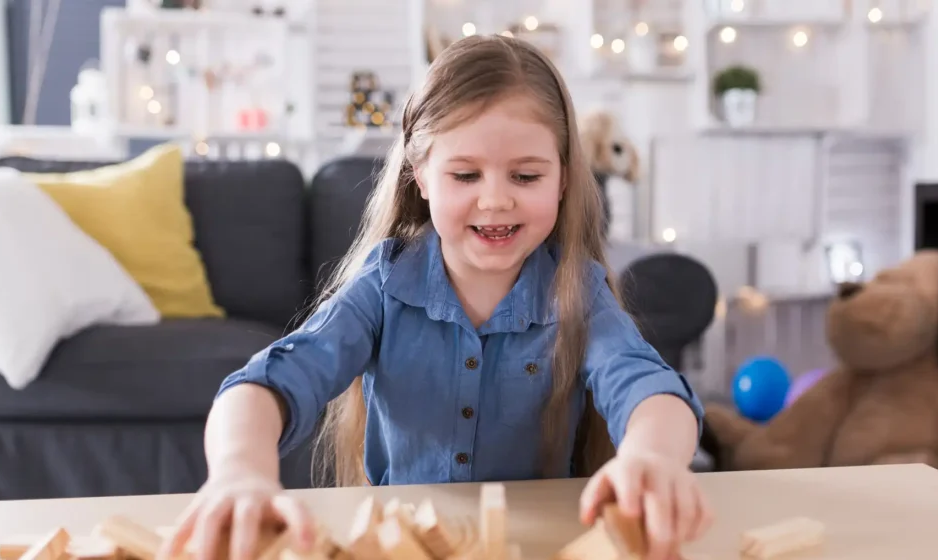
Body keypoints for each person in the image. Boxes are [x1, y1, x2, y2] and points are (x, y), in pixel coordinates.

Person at [159, 34, 711, 560]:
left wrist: (652, 457)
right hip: (401, 543)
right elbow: (270, 383)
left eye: (525, 176)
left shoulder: (577, 290)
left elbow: (648, 388)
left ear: (563, 179)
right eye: (466, 174)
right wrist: (239, 471)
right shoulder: (383, 285)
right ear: (420, 175)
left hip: (539, 546)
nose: (495, 201)